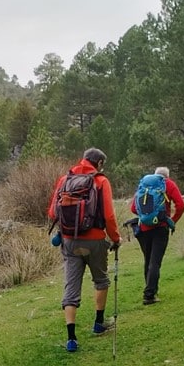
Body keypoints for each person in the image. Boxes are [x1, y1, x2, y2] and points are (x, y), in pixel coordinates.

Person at [47, 148, 122, 353]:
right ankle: (98, 323)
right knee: (101, 280)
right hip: (95, 240)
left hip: (70, 242)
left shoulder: (64, 180)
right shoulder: (101, 181)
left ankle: (71, 339)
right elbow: (108, 216)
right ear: (98, 163)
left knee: (71, 287)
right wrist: (115, 238)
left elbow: (53, 212)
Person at [130, 166, 184, 304]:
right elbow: (181, 205)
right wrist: (171, 221)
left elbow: (133, 208)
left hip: (143, 229)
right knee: (155, 262)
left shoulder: (144, 184)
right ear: (166, 176)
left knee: (148, 260)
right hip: (160, 228)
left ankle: (150, 290)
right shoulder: (168, 184)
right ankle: (149, 295)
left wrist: (145, 216)